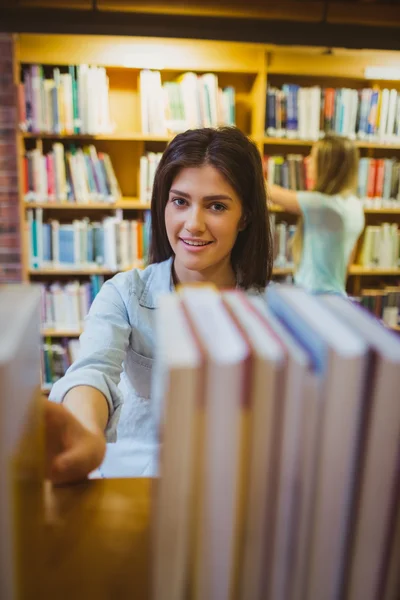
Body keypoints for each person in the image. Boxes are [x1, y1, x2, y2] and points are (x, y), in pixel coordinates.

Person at [46, 127, 273, 484]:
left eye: (216, 206)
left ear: (244, 216)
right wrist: (87, 433)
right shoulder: (124, 293)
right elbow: (92, 372)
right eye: (180, 201)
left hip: (230, 487)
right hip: (138, 481)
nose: (193, 225)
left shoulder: (270, 311)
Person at [268, 135, 364, 295]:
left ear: (328, 166)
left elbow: (268, 191)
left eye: (314, 157)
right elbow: (348, 263)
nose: (308, 161)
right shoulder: (354, 206)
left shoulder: (323, 206)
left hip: (315, 296)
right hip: (336, 293)